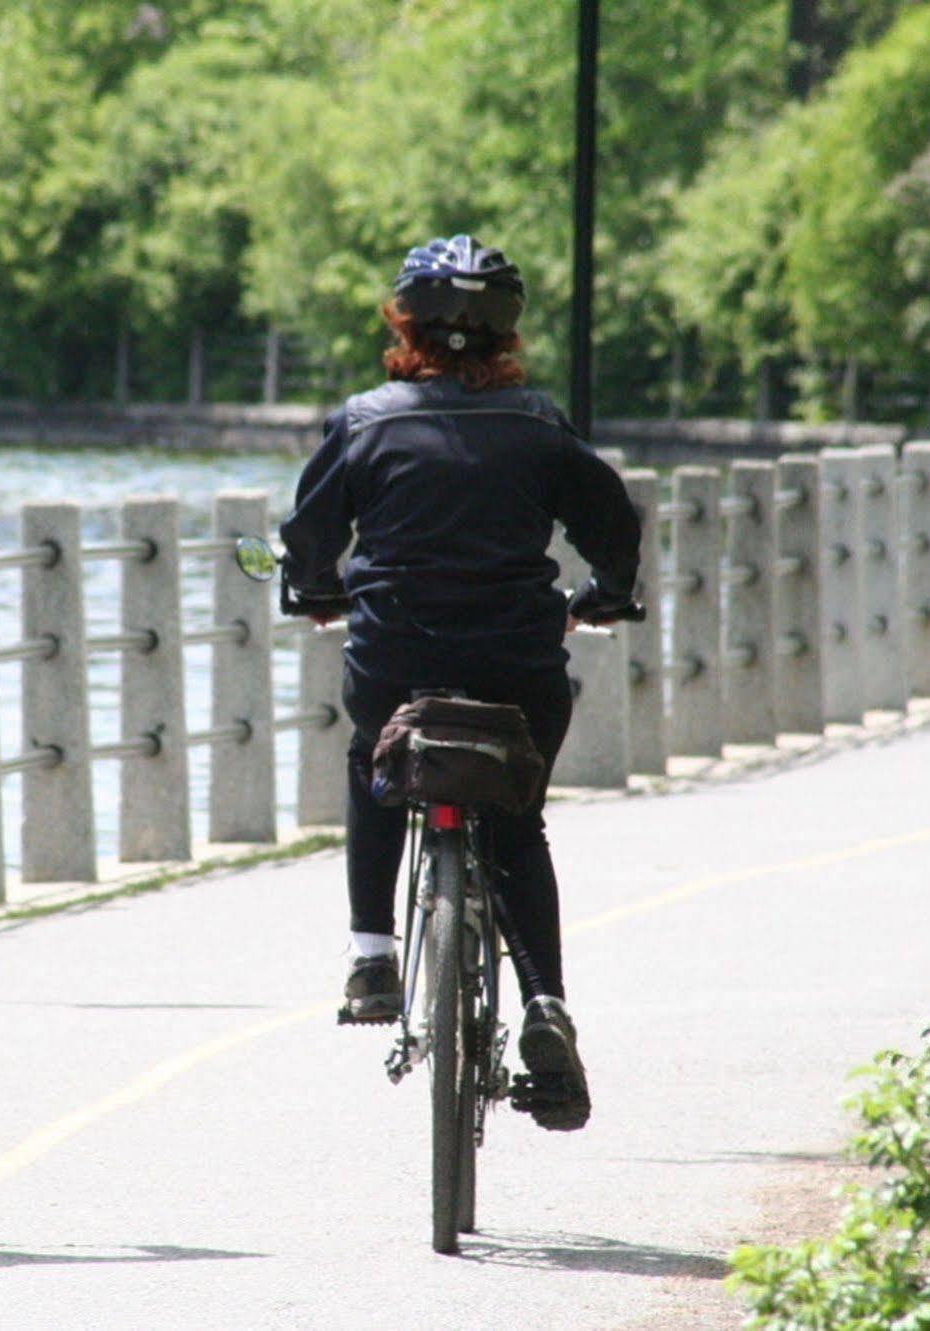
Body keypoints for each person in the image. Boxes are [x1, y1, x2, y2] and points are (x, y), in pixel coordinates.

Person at [278, 236, 641, 1131]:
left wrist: (317, 591)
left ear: (402, 323)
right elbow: (612, 523)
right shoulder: (539, 424)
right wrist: (607, 596)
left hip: (396, 659)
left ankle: (371, 955)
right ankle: (546, 1004)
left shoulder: (361, 422)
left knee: (374, 758)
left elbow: (307, 536)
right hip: (516, 660)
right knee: (516, 820)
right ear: (505, 335)